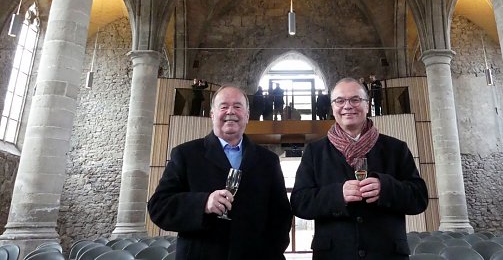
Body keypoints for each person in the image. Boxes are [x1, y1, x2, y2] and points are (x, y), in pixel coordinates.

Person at [148, 85, 292, 260]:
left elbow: (281, 215)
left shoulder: (268, 160)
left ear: (247, 116)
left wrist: (272, 251)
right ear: (212, 115)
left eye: (237, 106)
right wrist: (203, 204)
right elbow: (159, 207)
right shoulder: (186, 154)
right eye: (223, 106)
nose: (230, 111)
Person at [291, 78, 428, 260]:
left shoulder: (396, 149)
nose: (347, 106)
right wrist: (337, 195)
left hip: (386, 254)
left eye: (355, 100)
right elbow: (300, 203)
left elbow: (419, 198)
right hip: (334, 255)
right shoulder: (314, 152)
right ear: (333, 108)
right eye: (340, 101)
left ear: (367, 105)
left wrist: (386, 188)